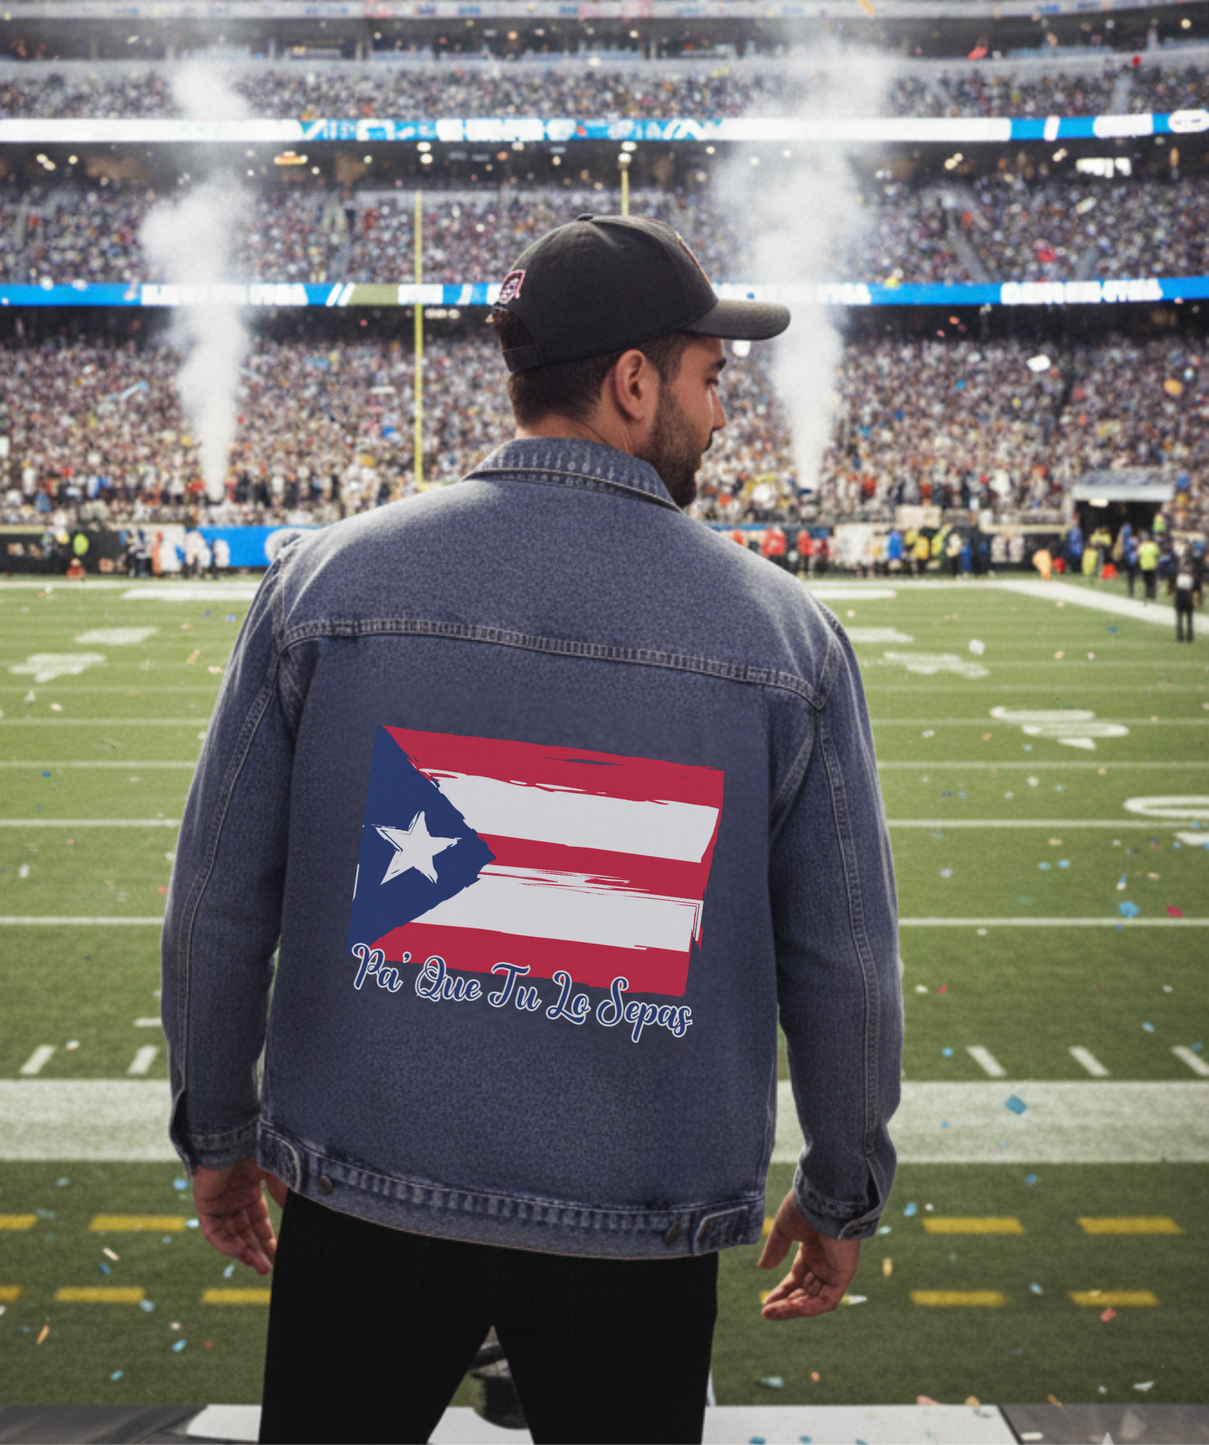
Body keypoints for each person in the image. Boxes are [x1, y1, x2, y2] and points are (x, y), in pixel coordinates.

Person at [162, 215, 902, 1445]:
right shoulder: (784, 638)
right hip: (639, 1217)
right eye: (710, 379)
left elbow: (216, 903)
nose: (721, 415)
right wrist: (842, 1183)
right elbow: (844, 962)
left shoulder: (320, 584)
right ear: (630, 382)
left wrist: (220, 1134)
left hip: (362, 1197)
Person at [1173, 544, 1200, 643]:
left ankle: (1180, 636)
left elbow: (1174, 577)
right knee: (1189, 617)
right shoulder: (1192, 567)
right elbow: (1196, 581)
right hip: (1188, 592)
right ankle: (1189, 636)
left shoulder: (1179, 566)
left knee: (1179, 616)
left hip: (1180, 592)